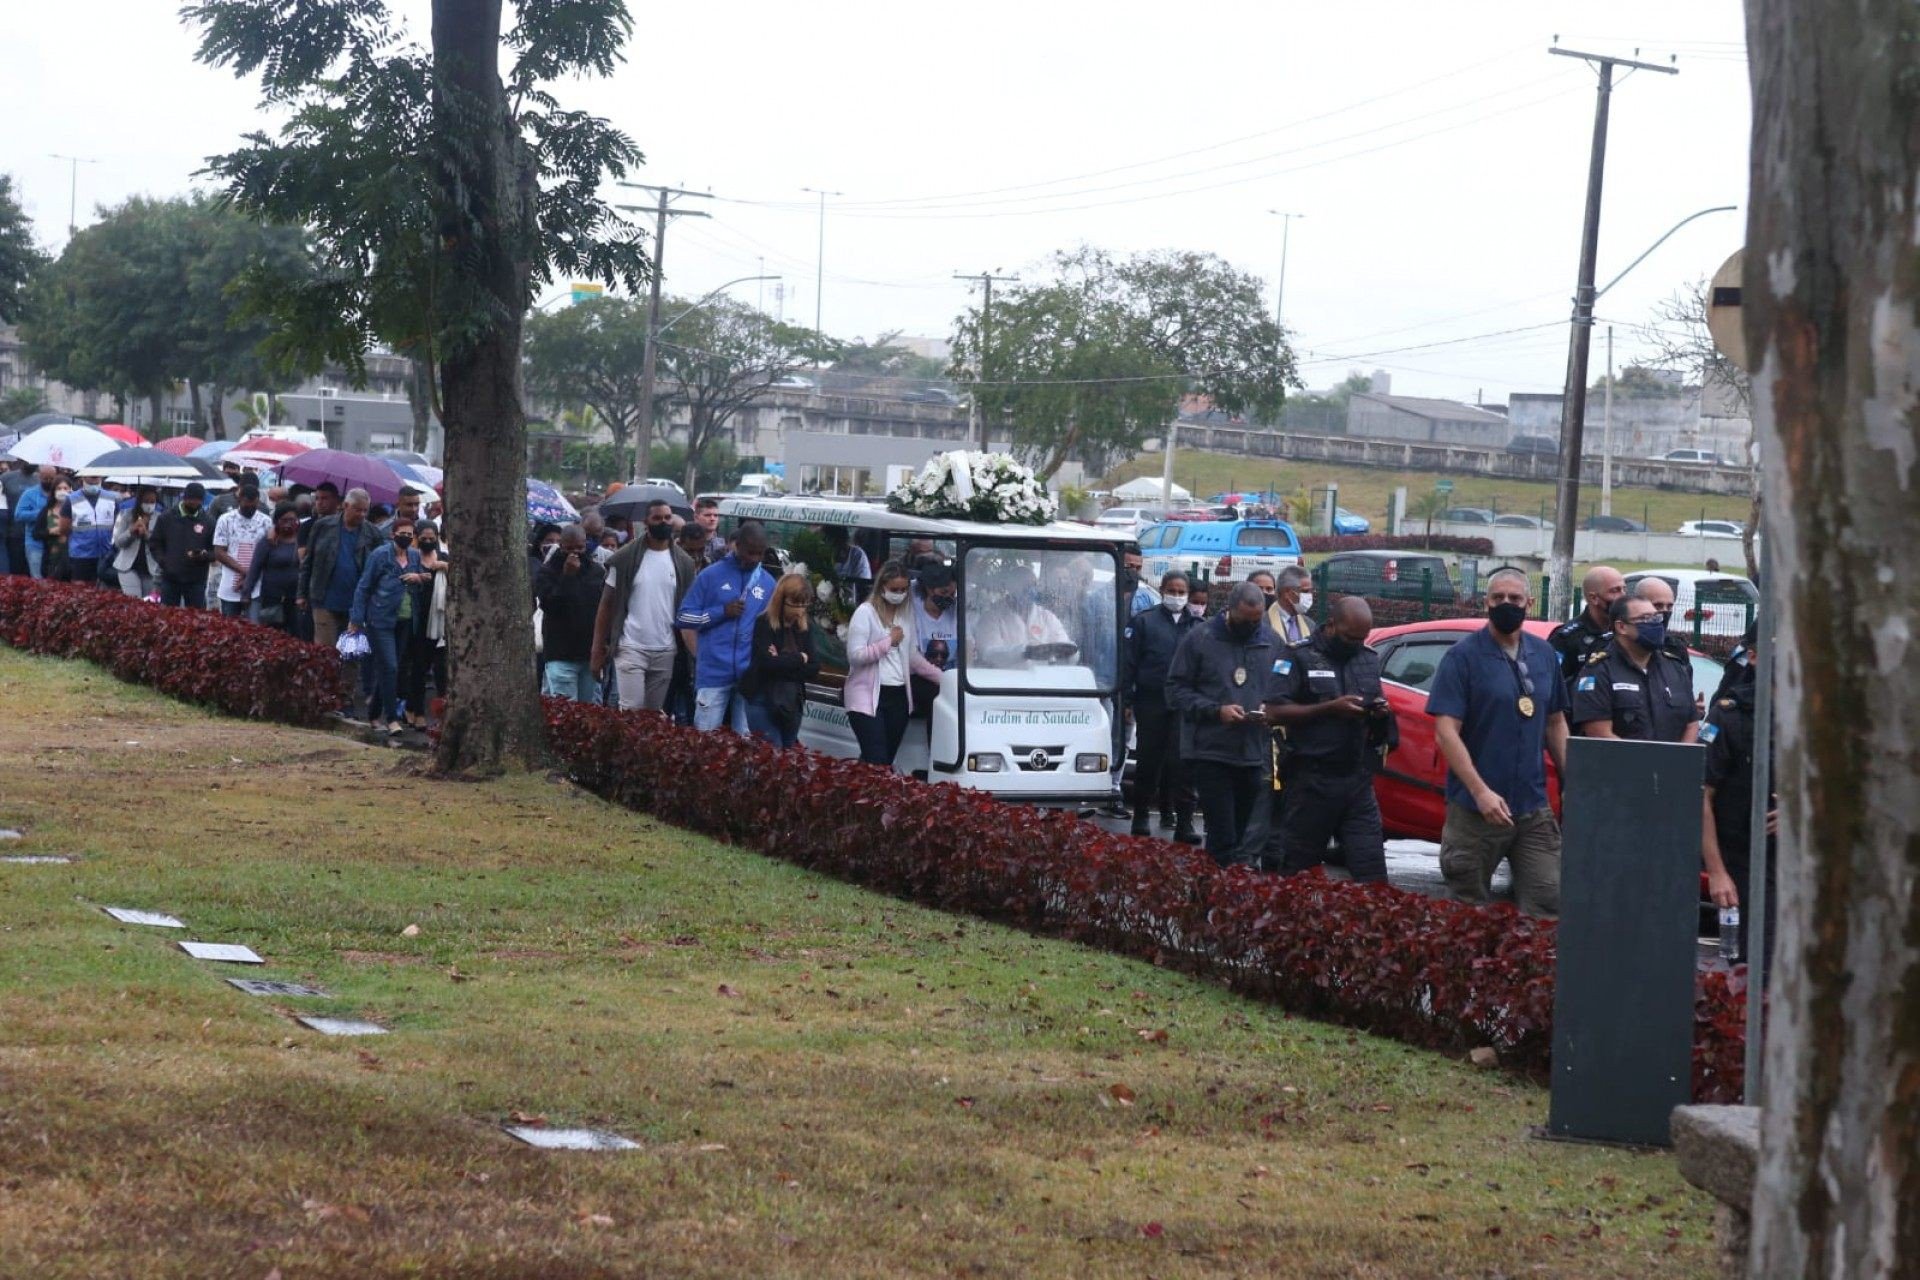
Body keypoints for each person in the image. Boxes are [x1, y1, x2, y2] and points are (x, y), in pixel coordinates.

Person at [1428, 567, 1569, 917]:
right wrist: (1480, 792)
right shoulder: (1462, 657)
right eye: (1498, 598)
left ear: (1529, 603)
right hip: (1475, 810)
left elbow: (1555, 723)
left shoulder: (1544, 655)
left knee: (1548, 901)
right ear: (1486, 603)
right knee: (1466, 911)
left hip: (1532, 806)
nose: (1506, 604)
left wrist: (1575, 781)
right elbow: (1445, 732)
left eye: (1515, 598)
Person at [1262, 597, 1397, 882]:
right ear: (1332, 625)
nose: (1356, 644)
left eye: (1361, 638)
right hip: (1311, 781)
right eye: (1350, 637)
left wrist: (1379, 712)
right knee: (1300, 876)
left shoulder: (1367, 658)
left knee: (1373, 876)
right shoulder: (1297, 655)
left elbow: (1376, 700)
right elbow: (1273, 712)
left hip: (1356, 781)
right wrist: (1328, 709)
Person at [1165, 581, 1281, 865]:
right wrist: (1216, 711)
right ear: (1229, 609)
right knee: (1223, 836)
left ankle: (1222, 884)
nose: (1251, 627)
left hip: (1252, 753)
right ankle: (1214, 888)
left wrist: (1272, 708)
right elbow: (1175, 690)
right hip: (1210, 751)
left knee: (1240, 836)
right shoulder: (1200, 638)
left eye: (1257, 621)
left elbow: (1283, 687)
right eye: (1245, 620)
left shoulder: (1271, 641)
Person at [1700, 623, 1775, 969]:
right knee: (1752, 967)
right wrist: (1717, 872)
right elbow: (1701, 793)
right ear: (1754, 657)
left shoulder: (1818, 715)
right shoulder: (1730, 714)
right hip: (1744, 861)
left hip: (1801, 863)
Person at [592, 498, 696, 712]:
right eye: (657, 518)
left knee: (653, 716)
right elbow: (606, 604)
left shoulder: (684, 563)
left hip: (666, 649)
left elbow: (689, 610)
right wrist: (597, 649)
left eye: (667, 517)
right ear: (646, 522)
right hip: (630, 646)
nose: (663, 522)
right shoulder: (624, 558)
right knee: (631, 711)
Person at [676, 520, 775, 734]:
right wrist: (721, 612)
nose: (754, 558)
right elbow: (683, 618)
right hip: (713, 674)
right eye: (750, 552)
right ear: (736, 545)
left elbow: (772, 627)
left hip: (749, 676)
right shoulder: (710, 576)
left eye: (760, 553)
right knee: (705, 741)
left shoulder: (767, 582)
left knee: (746, 743)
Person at [844, 559, 944, 765]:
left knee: (885, 761)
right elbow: (856, 656)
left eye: (903, 590)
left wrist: (945, 679)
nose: (899, 594)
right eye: (894, 589)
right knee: (876, 758)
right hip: (868, 696)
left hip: (898, 696)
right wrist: (888, 642)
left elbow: (913, 657)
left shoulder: (906, 614)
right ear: (882, 587)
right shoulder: (866, 613)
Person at [1126, 570, 1202, 842]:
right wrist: (1128, 700)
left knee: (1184, 765)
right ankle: (1141, 815)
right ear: (1162, 590)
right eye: (1172, 591)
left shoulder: (1198, 627)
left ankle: (1184, 823)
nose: (1176, 596)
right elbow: (1129, 664)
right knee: (1149, 761)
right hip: (1152, 701)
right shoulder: (1144, 622)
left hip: (1185, 705)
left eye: (1182, 592)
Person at [1569, 596, 1699, 743]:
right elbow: (1598, 733)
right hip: (1618, 757)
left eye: (1656, 618)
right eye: (1645, 618)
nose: (1655, 624)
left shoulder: (1675, 667)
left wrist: (1680, 755)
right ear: (1621, 627)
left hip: (1673, 758)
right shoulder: (1598, 671)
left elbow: (1691, 723)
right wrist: (1641, 758)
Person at [349, 515, 427, 732]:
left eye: (410, 535)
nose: (406, 538)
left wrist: (419, 578)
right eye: (402, 534)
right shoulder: (380, 555)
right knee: (390, 666)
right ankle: (392, 718)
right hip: (381, 618)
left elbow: (418, 585)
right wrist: (356, 618)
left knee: (390, 669)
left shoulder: (414, 555)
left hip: (406, 619)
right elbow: (364, 586)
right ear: (393, 535)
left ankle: (374, 715)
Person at [741, 573, 819, 748]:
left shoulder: (805, 627)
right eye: (795, 604)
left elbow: (814, 667)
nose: (800, 611)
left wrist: (781, 660)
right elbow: (766, 664)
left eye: (804, 604)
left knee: (789, 751)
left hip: (791, 699)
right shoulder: (764, 623)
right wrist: (799, 658)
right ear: (781, 600)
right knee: (771, 750)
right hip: (762, 697)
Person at [534, 524, 608, 704]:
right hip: (560, 653)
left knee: (589, 709)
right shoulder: (548, 571)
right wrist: (568, 577)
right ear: (561, 546)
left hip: (589, 653)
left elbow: (603, 609)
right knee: (566, 708)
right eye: (569, 549)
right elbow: (550, 605)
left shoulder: (596, 572)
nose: (575, 553)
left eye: (579, 548)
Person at [147, 482, 218, 608]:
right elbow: (155, 543)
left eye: (197, 501)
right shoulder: (166, 518)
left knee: (196, 615)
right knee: (168, 614)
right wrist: (164, 561)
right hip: (170, 578)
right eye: (191, 500)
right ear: (184, 498)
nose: (194, 503)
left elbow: (216, 550)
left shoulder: (209, 521)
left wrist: (204, 555)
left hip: (196, 579)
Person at [407, 520, 450, 728]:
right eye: (423, 538)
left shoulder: (443, 558)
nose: (428, 541)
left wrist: (446, 567)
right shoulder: (412, 558)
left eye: (431, 538)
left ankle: (444, 714)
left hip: (440, 623)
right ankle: (416, 710)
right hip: (418, 621)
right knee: (419, 669)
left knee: (442, 671)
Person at [1550, 564, 1625, 681]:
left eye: (1624, 589)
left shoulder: (1627, 630)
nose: (1623, 596)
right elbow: (1552, 680)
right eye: (1615, 591)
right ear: (1594, 598)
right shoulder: (1566, 638)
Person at [211, 483, 274, 618]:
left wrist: (251, 576)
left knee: (254, 626)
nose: (250, 508)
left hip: (256, 587)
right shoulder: (225, 519)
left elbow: (270, 552)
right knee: (229, 626)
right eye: (247, 505)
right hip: (230, 585)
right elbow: (219, 552)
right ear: (239, 500)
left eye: (254, 505)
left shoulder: (266, 521)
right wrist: (245, 572)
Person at [242, 504, 303, 633]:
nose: (288, 524)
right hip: (273, 598)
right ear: (277, 521)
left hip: (297, 598)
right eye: (284, 520)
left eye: (292, 520)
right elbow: (255, 567)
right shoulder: (268, 541)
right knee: (273, 634)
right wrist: (246, 593)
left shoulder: (304, 539)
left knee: (297, 634)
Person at [58, 475, 118, 587]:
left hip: (106, 552)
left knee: (106, 589)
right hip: (81, 555)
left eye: (96, 479)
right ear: (83, 478)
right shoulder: (71, 499)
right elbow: (63, 529)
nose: (94, 482)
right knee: (81, 589)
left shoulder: (112, 498)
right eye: (91, 480)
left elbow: (117, 524)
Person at [111, 487, 161, 598]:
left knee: (148, 602)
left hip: (151, 569)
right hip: (128, 567)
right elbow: (118, 543)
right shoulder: (127, 515)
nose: (149, 505)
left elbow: (160, 544)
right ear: (140, 501)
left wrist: (146, 534)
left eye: (152, 502)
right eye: (146, 501)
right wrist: (131, 531)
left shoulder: (160, 518)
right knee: (133, 600)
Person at [14, 467, 54, 578]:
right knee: (37, 578)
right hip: (35, 542)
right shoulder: (29, 494)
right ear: (39, 477)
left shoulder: (61, 492)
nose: (49, 481)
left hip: (55, 542)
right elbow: (18, 515)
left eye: (51, 478)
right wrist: (41, 514)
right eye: (45, 478)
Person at [1, 459, 36, 576]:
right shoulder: (6, 478)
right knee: (15, 573)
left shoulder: (41, 479)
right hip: (13, 533)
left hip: (35, 534)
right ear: (21, 460)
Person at [1268, 565, 1315, 644]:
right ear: (1286, 592)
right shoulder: (1264, 623)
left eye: (1311, 591)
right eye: (1305, 591)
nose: (1310, 595)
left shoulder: (1310, 625)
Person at [693, 496, 728, 564]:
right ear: (696, 517)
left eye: (716, 515)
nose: (712, 519)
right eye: (707, 515)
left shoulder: (724, 544)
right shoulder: (688, 542)